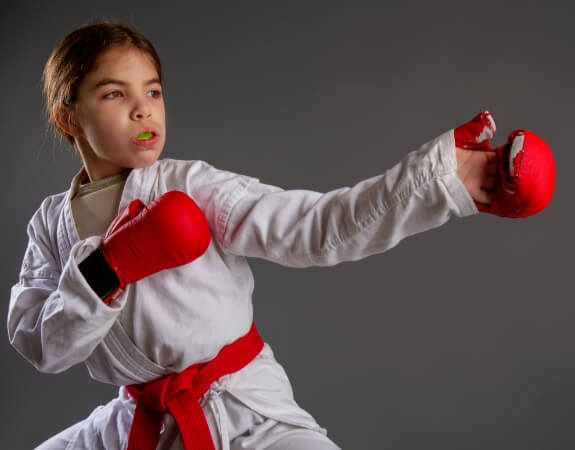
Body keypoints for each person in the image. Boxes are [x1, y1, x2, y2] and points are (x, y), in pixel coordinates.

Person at [7, 21, 531, 450]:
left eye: (153, 91)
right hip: (139, 423)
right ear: (67, 116)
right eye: (114, 94)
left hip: (248, 416)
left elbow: (318, 229)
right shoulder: (48, 226)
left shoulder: (190, 186)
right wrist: (107, 268)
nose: (143, 108)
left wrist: (439, 180)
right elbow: (43, 347)